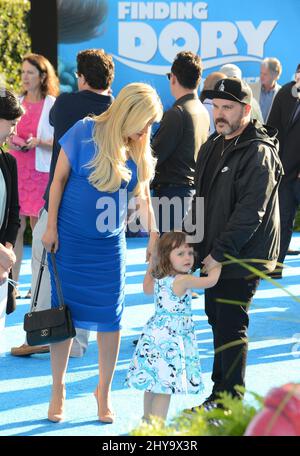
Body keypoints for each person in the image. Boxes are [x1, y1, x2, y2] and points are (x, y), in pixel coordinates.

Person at [41, 82, 163, 423]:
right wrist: (50, 227)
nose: (146, 130)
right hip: (69, 243)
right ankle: (57, 388)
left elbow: (143, 198)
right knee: (63, 316)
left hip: (109, 249)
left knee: (111, 320)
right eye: (145, 122)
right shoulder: (84, 131)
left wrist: (154, 234)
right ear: (128, 112)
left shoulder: (138, 146)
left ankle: (103, 392)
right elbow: (59, 181)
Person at [185, 77, 283, 409]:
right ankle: (220, 395)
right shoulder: (212, 146)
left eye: (228, 107)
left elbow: (249, 213)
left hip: (243, 256)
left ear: (245, 108)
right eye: (216, 107)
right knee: (216, 316)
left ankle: (229, 403)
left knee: (230, 321)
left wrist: (218, 253)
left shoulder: (259, 152)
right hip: (215, 252)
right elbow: (199, 203)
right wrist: (189, 245)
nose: (220, 114)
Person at [11, 49, 115, 358]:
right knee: (82, 273)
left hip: (61, 199)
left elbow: (55, 121)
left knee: (44, 263)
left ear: (81, 78)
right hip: (98, 207)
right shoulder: (115, 109)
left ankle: (40, 333)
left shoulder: (67, 103)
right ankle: (77, 343)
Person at [125, 231, 221, 421]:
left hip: (154, 334)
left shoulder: (160, 278)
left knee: (153, 382)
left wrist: (152, 260)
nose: (187, 257)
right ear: (167, 257)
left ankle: (147, 420)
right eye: (180, 254)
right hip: (171, 338)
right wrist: (217, 262)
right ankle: (158, 427)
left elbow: (146, 289)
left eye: (189, 253)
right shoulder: (183, 280)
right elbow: (211, 281)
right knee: (165, 386)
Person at [8, 53, 59, 296]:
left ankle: (38, 285)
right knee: (13, 228)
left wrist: (39, 142)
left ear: (42, 76)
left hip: (40, 174)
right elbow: (8, 132)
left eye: (30, 72)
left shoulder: (52, 104)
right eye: (23, 72)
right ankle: (12, 283)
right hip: (16, 171)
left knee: (38, 228)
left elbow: (59, 141)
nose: (25, 77)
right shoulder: (16, 101)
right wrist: (15, 141)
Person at [151, 51, 210, 234]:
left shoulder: (177, 113)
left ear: (173, 78)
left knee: (171, 257)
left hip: (173, 197)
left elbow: (154, 156)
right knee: (183, 256)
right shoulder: (202, 110)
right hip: (189, 194)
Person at [267, 63, 300, 276]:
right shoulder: (285, 94)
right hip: (284, 170)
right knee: (284, 217)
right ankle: (276, 266)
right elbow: (272, 128)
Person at [0, 89, 24, 343]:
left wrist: (6, 252)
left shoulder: (9, 162)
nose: (15, 131)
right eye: (12, 124)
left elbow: (14, 212)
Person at [250, 58, 282, 123]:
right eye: (261, 73)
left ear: (275, 75)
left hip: (270, 131)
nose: (261, 76)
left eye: (265, 74)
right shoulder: (250, 89)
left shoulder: (281, 93)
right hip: (251, 131)